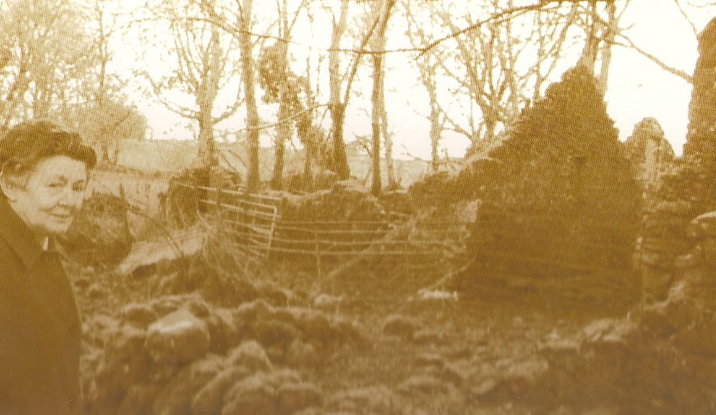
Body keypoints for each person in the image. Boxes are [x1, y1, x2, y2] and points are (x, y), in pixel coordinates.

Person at [0, 120, 96, 415]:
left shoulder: (41, 246)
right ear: (9, 183)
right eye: (55, 185)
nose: (70, 201)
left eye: (78, 187)